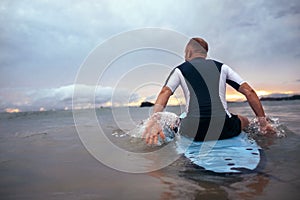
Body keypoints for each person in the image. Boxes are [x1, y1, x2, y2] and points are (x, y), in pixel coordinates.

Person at [143, 38, 275, 145]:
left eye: (185, 53)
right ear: (205, 53)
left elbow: (164, 93)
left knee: (171, 122)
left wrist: (155, 120)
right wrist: (262, 122)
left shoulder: (180, 70)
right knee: (245, 120)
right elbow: (249, 92)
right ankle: (263, 130)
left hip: (192, 131)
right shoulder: (222, 67)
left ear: (189, 52)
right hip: (224, 129)